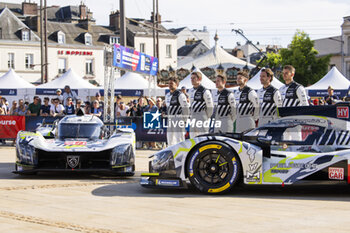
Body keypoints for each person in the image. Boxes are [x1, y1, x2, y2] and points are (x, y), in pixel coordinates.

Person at [165, 77, 190, 146]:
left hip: (178, 119)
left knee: (179, 140)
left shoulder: (180, 95)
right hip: (170, 119)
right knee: (170, 140)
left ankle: (182, 155)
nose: (170, 85)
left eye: (172, 83)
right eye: (169, 83)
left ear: (176, 84)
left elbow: (186, 108)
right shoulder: (167, 95)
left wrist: (184, 121)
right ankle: (172, 156)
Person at [188, 71, 213, 138]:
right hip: (193, 116)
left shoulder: (205, 91)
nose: (192, 80)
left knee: (203, 137)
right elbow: (190, 104)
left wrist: (206, 117)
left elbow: (210, 106)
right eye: (191, 78)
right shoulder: (190, 91)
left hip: (202, 116)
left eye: (194, 78)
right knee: (192, 137)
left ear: (199, 79)